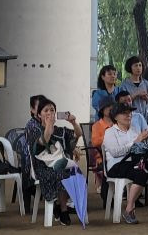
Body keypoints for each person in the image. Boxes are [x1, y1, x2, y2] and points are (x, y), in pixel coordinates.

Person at [102, 103, 148, 224]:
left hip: (135, 162)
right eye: (124, 113)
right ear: (115, 117)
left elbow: (140, 149)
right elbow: (115, 152)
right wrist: (135, 142)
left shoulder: (134, 130)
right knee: (141, 171)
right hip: (117, 165)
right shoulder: (110, 132)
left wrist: (145, 143)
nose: (128, 115)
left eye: (129, 113)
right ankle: (129, 210)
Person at [26, 97, 83, 226]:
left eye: (52, 110)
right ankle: (63, 210)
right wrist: (48, 126)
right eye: (46, 110)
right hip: (43, 168)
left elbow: (78, 134)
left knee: (74, 172)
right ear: (39, 115)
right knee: (62, 173)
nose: (50, 113)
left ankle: (62, 206)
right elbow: (43, 142)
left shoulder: (60, 130)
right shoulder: (35, 130)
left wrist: (74, 122)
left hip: (60, 165)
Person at [91, 99, 116, 194]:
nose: (111, 108)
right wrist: (110, 137)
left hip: (118, 154)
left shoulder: (117, 123)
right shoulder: (96, 125)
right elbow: (95, 142)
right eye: (108, 106)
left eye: (112, 106)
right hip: (102, 157)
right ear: (102, 110)